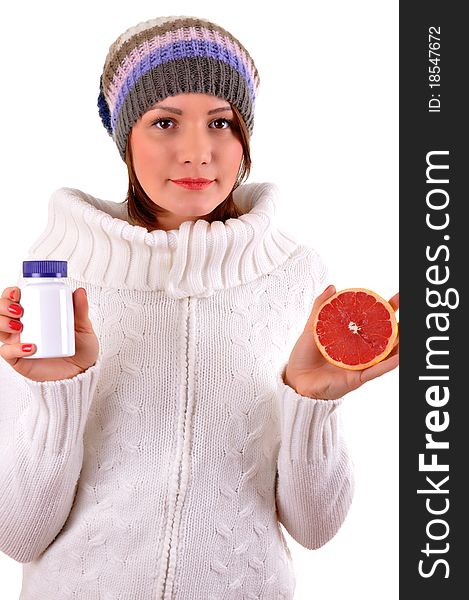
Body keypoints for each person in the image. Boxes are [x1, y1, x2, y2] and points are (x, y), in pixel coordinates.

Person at [0, 15, 399, 599]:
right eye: (165, 122)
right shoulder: (56, 278)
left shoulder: (296, 277)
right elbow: (18, 535)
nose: (198, 152)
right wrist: (59, 395)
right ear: (124, 139)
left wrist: (312, 404)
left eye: (221, 122)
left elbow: (316, 530)